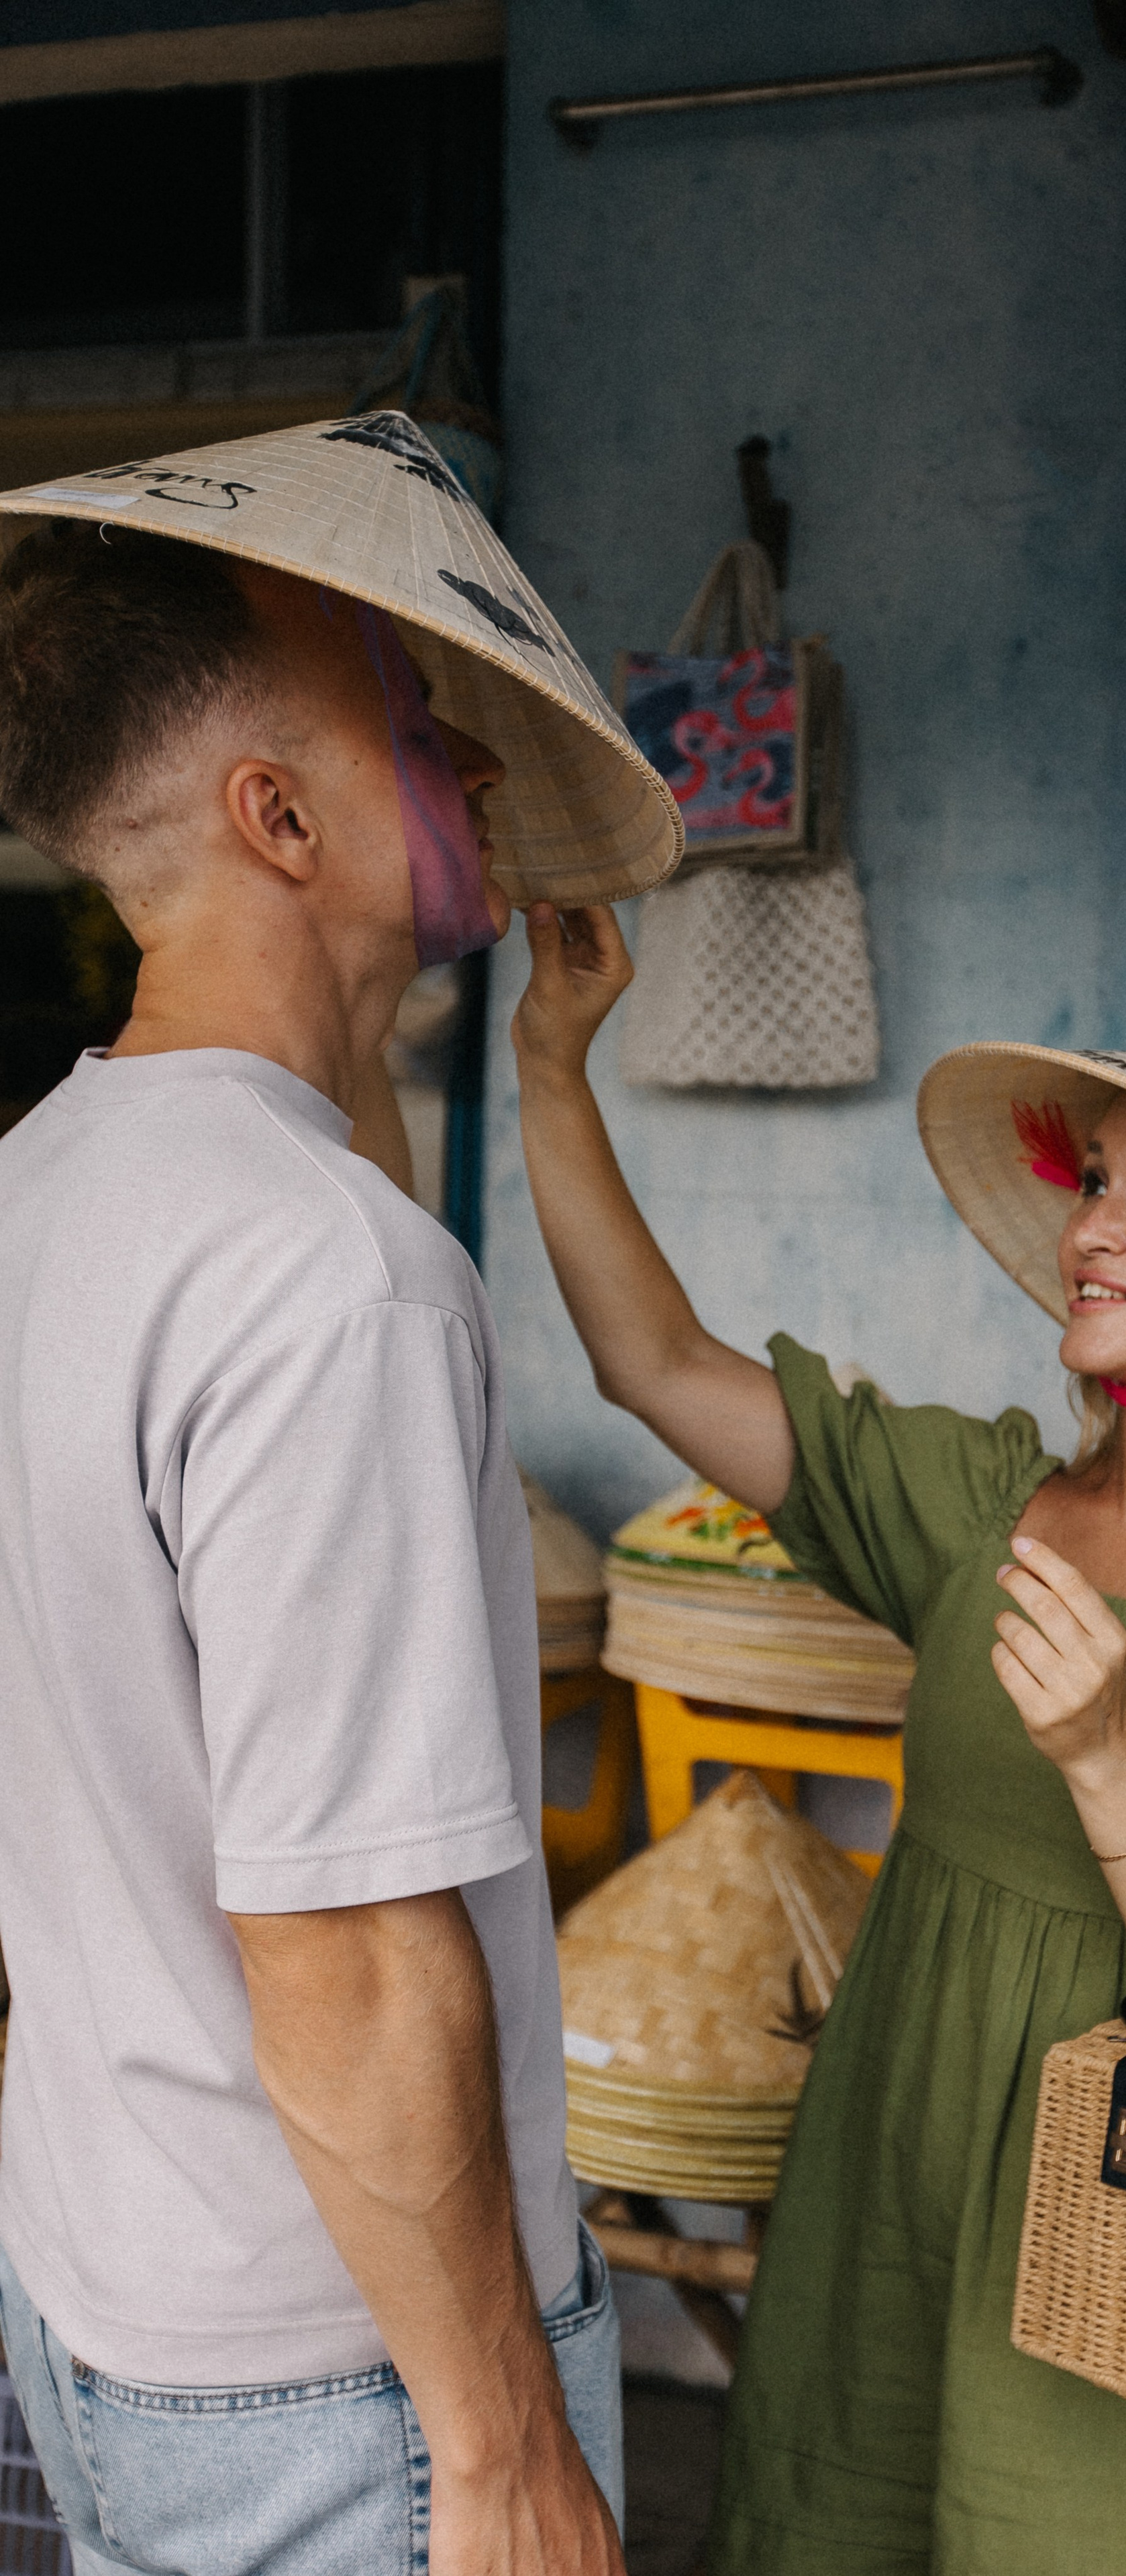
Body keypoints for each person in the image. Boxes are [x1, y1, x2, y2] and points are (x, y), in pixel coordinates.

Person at [511, 907, 1126, 2576]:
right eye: (1091, 1178)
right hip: (893, 2193)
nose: (1089, 1226)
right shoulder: (986, 1508)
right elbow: (654, 1362)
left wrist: (1111, 1759)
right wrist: (549, 1061)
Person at [0, 415, 678, 2576]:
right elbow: (352, 1949)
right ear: (276, 815)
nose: (477, 766)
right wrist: (495, 2447)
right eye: (421, 723)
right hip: (346, 2376)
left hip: (108, 2289)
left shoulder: (54, 1184)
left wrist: (442, 1034)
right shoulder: (329, 1278)